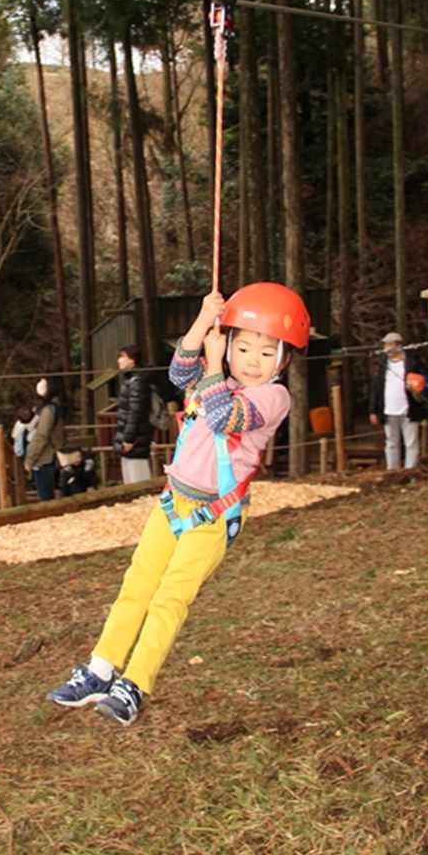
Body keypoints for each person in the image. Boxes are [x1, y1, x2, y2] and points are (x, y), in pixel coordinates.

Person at [47, 282, 311, 726]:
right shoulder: (218, 377)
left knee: (171, 597)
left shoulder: (273, 397)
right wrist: (203, 322)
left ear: (284, 360)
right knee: (138, 585)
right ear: (228, 346)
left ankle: (135, 682)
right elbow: (177, 374)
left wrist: (212, 362)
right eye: (242, 347)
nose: (252, 360)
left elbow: (225, 416)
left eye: (267, 353)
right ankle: (100, 669)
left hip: (214, 514)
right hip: (173, 503)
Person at [368, 331, 425, 470]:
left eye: (390, 344)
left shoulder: (412, 361)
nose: (387, 348)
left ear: (399, 345)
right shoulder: (381, 363)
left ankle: (410, 470)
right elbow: (375, 387)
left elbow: (424, 380)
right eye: (386, 345)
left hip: (408, 408)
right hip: (388, 409)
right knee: (391, 442)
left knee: (411, 442)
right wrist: (373, 410)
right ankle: (392, 470)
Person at [113, 345, 153, 484]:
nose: (119, 361)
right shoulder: (130, 380)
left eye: (122, 356)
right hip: (132, 436)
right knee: (130, 476)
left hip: (136, 439)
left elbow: (135, 412)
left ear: (132, 359)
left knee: (138, 479)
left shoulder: (137, 382)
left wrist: (129, 438)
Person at [25, 376, 66, 502]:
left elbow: (41, 435)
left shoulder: (49, 410)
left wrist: (30, 459)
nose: (39, 385)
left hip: (45, 458)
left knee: (45, 496)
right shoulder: (55, 406)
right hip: (52, 455)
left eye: (43, 383)